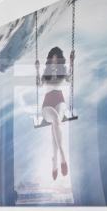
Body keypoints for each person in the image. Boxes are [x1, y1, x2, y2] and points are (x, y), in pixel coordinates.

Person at [40, 46, 73, 181]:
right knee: (54, 118)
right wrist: (37, 70)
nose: (54, 63)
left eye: (56, 61)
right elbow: (38, 84)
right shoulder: (45, 74)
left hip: (60, 100)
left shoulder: (63, 72)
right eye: (52, 61)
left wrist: (71, 63)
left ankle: (55, 163)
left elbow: (70, 79)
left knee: (57, 121)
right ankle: (62, 157)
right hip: (47, 104)